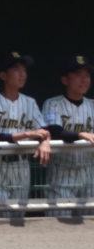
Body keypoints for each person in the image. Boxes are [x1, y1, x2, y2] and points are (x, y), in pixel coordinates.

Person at [0, 52, 51, 217]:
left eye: (24, 70)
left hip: (22, 166)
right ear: (3, 75)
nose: (22, 74)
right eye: (16, 69)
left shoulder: (29, 102)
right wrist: (27, 134)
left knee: (19, 218)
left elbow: (43, 130)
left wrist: (45, 141)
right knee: (0, 218)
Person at [41, 55, 94, 216]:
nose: (84, 80)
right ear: (65, 80)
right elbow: (54, 131)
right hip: (61, 174)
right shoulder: (52, 104)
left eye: (87, 75)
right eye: (78, 75)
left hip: (89, 173)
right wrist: (81, 134)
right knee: (58, 223)